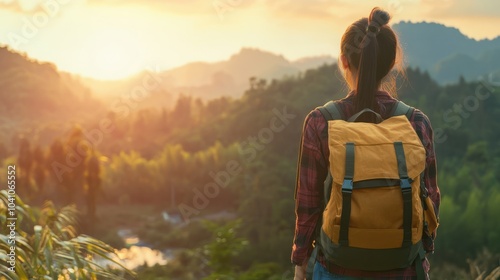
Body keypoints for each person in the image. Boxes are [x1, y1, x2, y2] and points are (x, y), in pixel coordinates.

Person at [291, 7, 441, 280]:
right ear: (391, 64)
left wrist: (301, 264)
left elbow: (308, 205)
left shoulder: (320, 122)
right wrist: (421, 251)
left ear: (344, 62)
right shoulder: (416, 122)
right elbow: (430, 199)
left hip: (337, 268)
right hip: (402, 269)